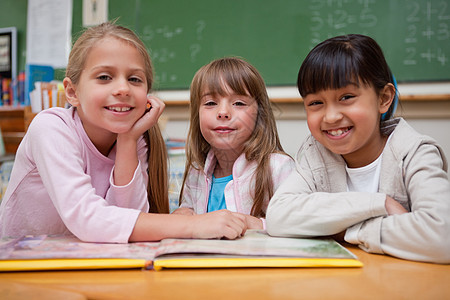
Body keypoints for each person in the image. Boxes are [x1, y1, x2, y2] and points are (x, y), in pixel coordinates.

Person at [0, 22, 247, 243]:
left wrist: (127, 140)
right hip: (20, 265)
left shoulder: (136, 139)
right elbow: (90, 220)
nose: (122, 89)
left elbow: (126, 221)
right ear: (72, 92)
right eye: (105, 77)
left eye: (135, 79)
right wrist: (194, 225)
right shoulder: (51, 128)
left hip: (83, 261)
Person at [266, 34, 450, 263]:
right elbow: (278, 217)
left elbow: (442, 237)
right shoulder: (316, 154)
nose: (331, 116)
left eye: (346, 97)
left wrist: (351, 232)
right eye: (315, 103)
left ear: (384, 98)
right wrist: (378, 203)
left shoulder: (415, 153)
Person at [173, 57, 295, 230]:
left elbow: (297, 227)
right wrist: (183, 213)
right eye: (210, 103)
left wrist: (254, 224)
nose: (223, 112)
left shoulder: (278, 168)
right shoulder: (197, 171)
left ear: (259, 114)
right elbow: (189, 210)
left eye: (238, 103)